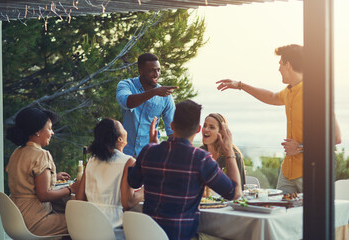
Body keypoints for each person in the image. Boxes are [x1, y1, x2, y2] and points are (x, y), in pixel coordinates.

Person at [216, 44, 342, 194]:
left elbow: (336, 137)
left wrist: (300, 147)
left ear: (288, 65)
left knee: (311, 216)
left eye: (280, 64)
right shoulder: (289, 91)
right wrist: (240, 85)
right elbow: (271, 97)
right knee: (279, 209)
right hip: (288, 170)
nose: (279, 69)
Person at [127, 99, 242, 240]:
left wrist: (150, 147)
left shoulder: (148, 151)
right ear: (198, 129)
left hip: (147, 235)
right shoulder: (200, 159)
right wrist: (229, 150)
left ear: (172, 125)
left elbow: (133, 182)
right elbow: (235, 193)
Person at [6, 107, 79, 236]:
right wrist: (71, 189)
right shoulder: (41, 155)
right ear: (38, 131)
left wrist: (53, 177)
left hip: (15, 218)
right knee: (81, 221)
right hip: (35, 220)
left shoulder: (17, 152)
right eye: (50, 128)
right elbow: (44, 195)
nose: (52, 133)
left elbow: (25, 181)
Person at [76, 118, 144, 238]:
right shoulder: (128, 162)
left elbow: (79, 198)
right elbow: (127, 202)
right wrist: (145, 192)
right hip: (113, 229)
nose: (125, 130)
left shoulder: (91, 161)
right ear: (120, 139)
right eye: (122, 127)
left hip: (89, 229)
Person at [116, 52, 179, 157]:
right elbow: (127, 102)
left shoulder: (166, 96)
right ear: (140, 71)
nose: (156, 74)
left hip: (149, 156)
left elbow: (172, 131)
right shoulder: (126, 85)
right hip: (124, 154)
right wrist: (154, 92)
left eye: (158, 70)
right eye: (152, 71)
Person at [200, 113, 246, 192]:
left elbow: (240, 189)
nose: (206, 129)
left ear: (221, 132)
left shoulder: (233, 156)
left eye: (212, 127)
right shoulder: (201, 153)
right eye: (205, 125)